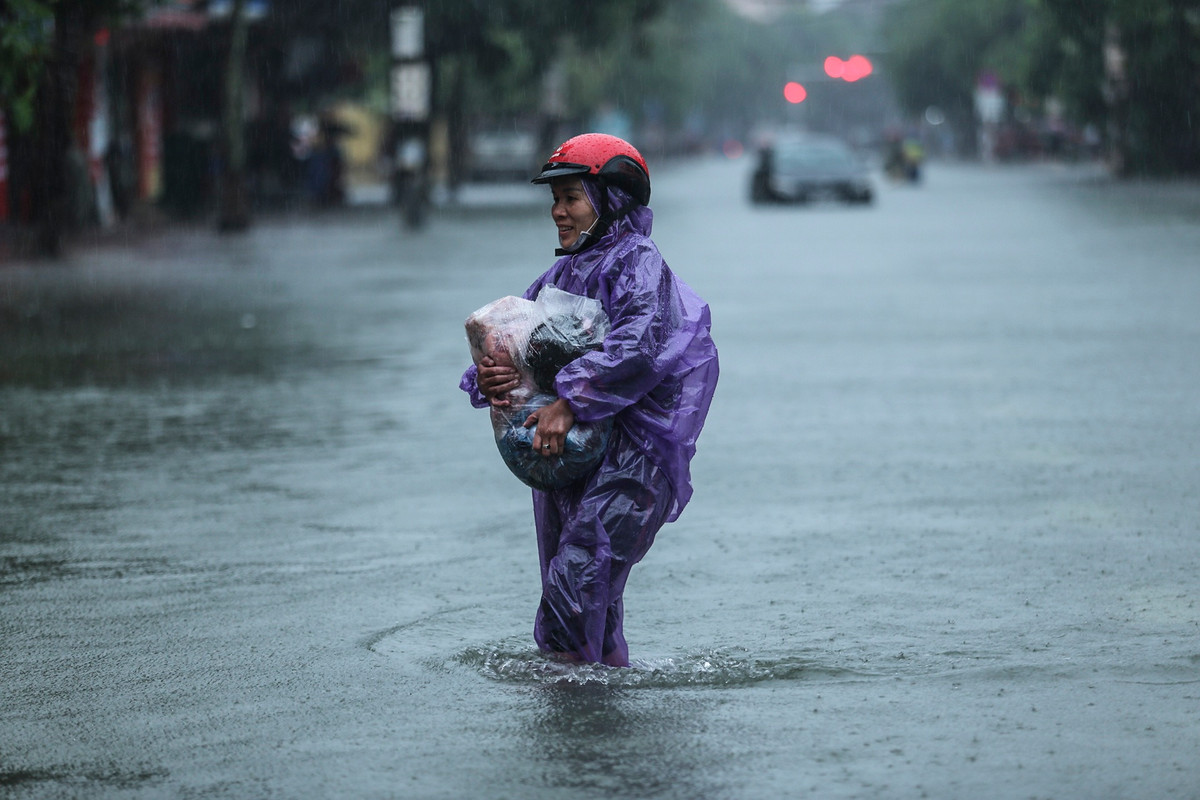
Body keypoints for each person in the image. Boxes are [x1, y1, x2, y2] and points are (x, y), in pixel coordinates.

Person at [459, 133, 719, 667]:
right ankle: (595, 721)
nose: (558, 212)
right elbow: (516, 342)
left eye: (571, 198)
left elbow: (640, 345)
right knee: (585, 598)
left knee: (575, 585)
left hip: (632, 456)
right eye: (554, 200)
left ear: (610, 199)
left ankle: (570, 726)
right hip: (572, 456)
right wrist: (487, 376)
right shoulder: (562, 273)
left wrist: (571, 403)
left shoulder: (637, 263)